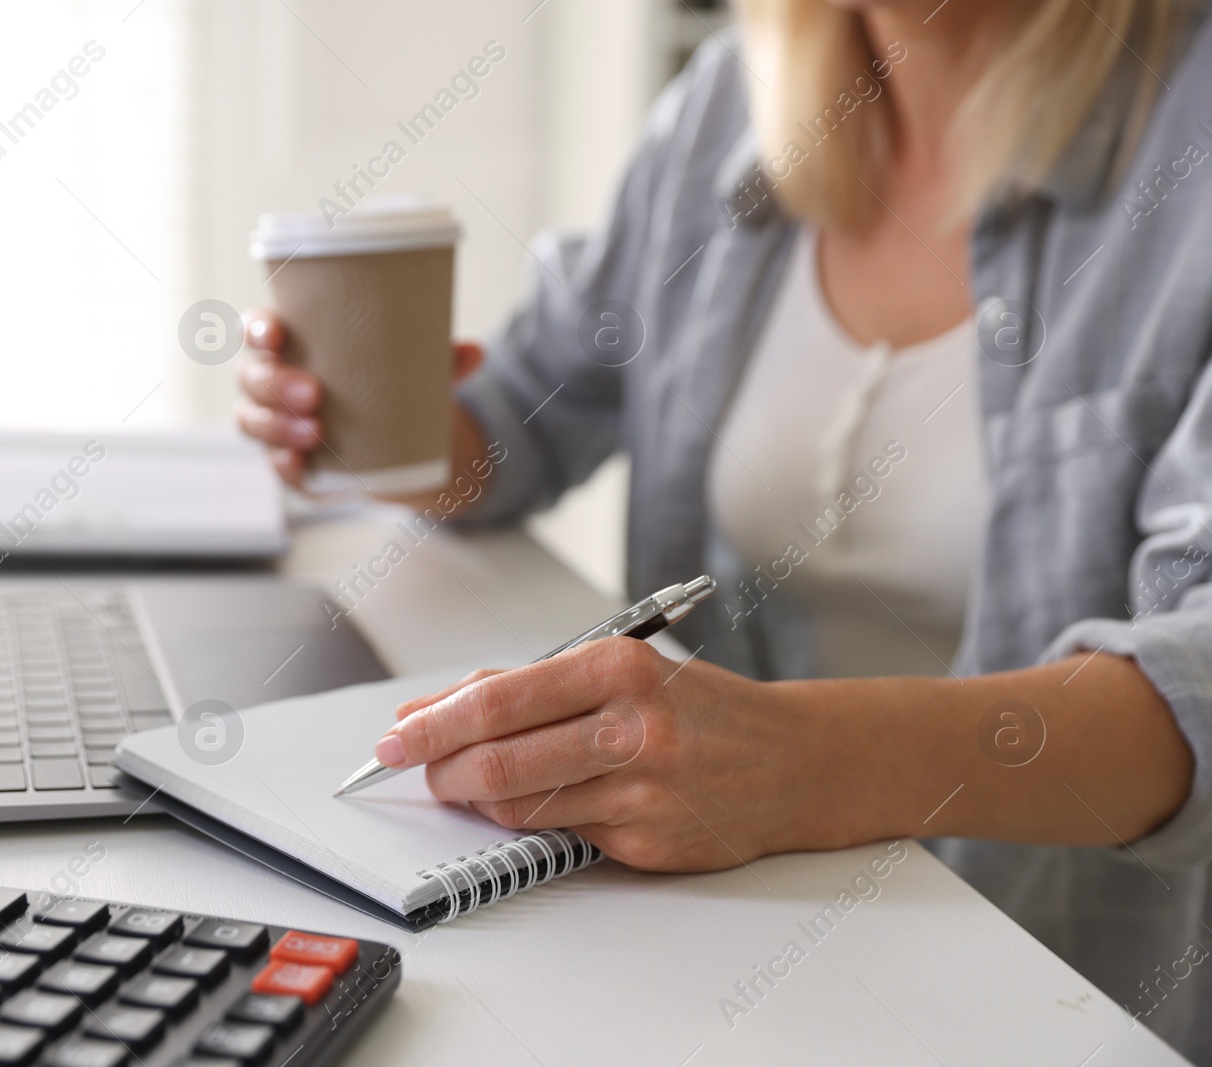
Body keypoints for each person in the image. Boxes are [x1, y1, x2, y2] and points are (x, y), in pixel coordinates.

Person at [238, 0, 1212, 1052]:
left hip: (1055, 989)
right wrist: (382, 424)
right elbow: (527, 414)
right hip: (723, 942)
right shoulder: (728, 104)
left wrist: (804, 765)